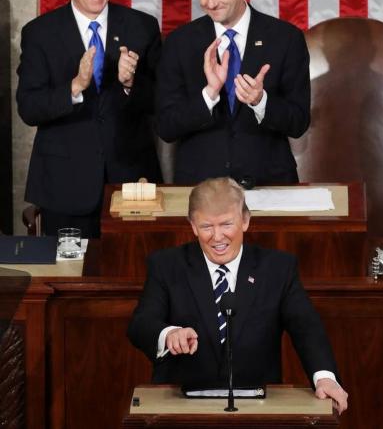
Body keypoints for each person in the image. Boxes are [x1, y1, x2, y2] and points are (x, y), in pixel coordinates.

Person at [127, 177, 348, 414]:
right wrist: (168, 334)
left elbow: (307, 328)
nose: (217, 237)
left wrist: (324, 377)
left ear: (245, 220)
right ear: (192, 226)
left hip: (257, 406)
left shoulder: (277, 268)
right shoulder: (167, 265)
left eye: (226, 224)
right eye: (206, 227)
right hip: (182, 405)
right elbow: (141, 324)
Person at [17, 0, 162, 238]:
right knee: (71, 277)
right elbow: (29, 108)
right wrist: (75, 86)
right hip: (64, 184)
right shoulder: (39, 33)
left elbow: (160, 102)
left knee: (134, 276)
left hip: (132, 182)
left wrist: (130, 84)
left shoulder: (142, 26)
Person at [156, 0, 310, 186]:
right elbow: (165, 126)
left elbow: (298, 122)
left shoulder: (285, 38)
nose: (210, 3)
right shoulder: (180, 42)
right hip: (201, 188)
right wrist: (208, 95)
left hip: (268, 182)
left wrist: (261, 101)